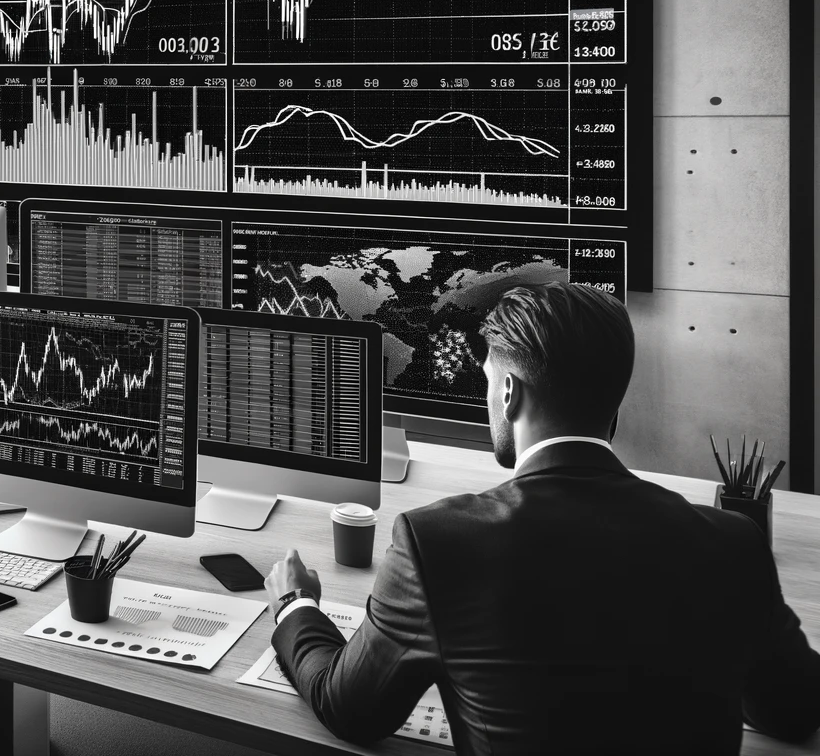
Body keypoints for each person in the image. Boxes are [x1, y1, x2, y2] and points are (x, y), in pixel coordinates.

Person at [267, 282, 820, 754]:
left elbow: (351, 710)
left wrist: (296, 606)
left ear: (507, 393)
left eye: (486, 381)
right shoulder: (731, 543)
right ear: (614, 405)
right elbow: (795, 711)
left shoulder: (435, 543)